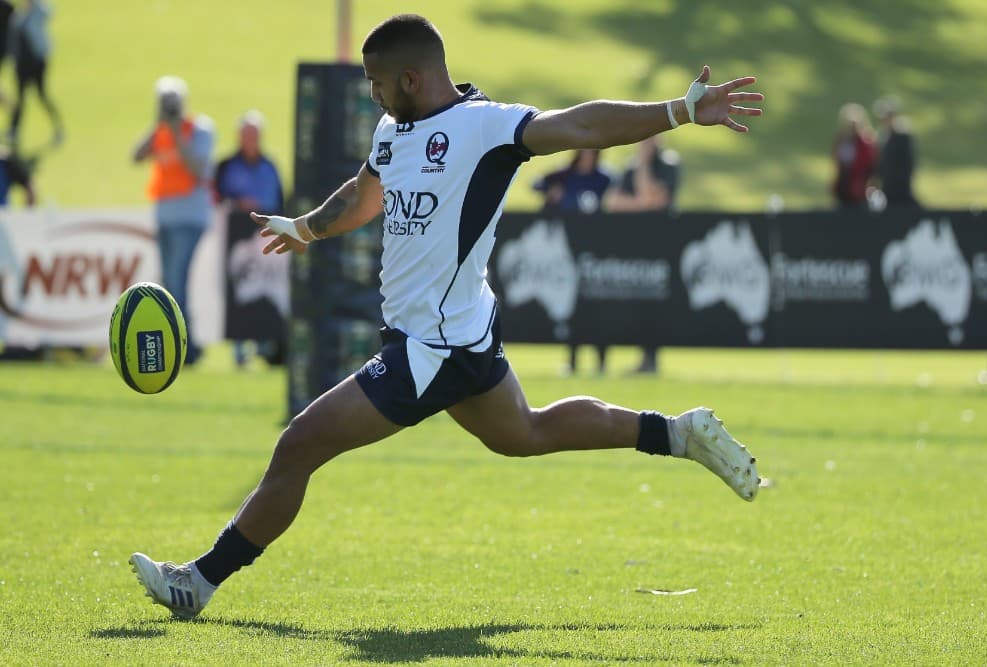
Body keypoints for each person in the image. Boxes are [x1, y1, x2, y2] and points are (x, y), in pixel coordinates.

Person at [129, 14, 764, 620]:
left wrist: (679, 111)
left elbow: (581, 129)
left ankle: (201, 581)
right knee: (526, 433)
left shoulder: (482, 127)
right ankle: (678, 433)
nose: (372, 97)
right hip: (460, 337)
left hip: (429, 350)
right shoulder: (392, 130)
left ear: (411, 79)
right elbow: (364, 194)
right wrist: (305, 227)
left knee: (299, 444)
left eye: (377, 84)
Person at [132, 75, 214, 365]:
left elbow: (196, 169)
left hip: (189, 218)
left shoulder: (199, 130)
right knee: (169, 282)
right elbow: (136, 156)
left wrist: (177, 132)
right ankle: (181, 344)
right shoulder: (160, 132)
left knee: (177, 281)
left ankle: (186, 349)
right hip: (166, 218)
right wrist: (158, 125)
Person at [214, 109, 285, 367]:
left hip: (264, 239)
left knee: (264, 293)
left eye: (254, 135)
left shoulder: (270, 166)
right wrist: (238, 205)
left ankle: (264, 346)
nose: (250, 140)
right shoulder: (226, 166)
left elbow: (280, 200)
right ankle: (239, 349)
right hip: (236, 243)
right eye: (246, 135)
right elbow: (217, 198)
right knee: (238, 295)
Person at [606, 137, 682, 374]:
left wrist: (645, 165)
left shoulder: (669, 165)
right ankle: (643, 360)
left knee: (656, 304)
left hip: (662, 247)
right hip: (635, 247)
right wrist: (642, 202)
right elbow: (613, 202)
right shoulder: (632, 167)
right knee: (637, 305)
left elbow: (656, 198)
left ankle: (651, 359)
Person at [534, 148, 612, 375]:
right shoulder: (565, 175)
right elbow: (537, 184)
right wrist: (552, 194)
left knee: (598, 309)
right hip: (568, 253)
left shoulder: (603, 178)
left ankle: (601, 362)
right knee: (573, 309)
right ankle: (573, 361)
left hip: (596, 253)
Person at [7, 0, 63, 147]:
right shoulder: (19, 15)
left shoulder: (38, 13)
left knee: (42, 95)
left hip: (36, 63)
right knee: (20, 98)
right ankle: (14, 130)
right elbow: (14, 40)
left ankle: (58, 127)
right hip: (20, 64)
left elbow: (49, 11)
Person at [872, 96, 919, 209]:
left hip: (901, 188)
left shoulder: (902, 137)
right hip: (887, 188)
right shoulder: (883, 137)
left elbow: (908, 163)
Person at [831, 103, 877, 208]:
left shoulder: (865, 142)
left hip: (859, 186)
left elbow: (869, 166)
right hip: (843, 184)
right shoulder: (841, 140)